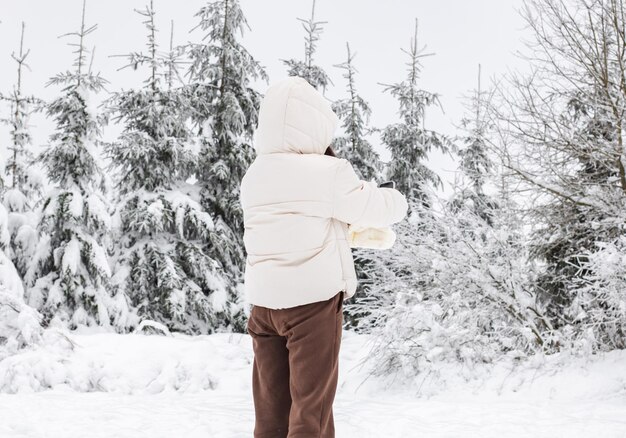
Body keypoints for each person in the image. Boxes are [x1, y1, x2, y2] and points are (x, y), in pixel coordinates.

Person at [239, 75, 408, 438]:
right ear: (315, 125)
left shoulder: (254, 174)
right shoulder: (327, 172)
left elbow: (292, 226)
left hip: (263, 309)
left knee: (270, 415)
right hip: (310, 308)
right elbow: (374, 207)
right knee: (310, 413)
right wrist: (396, 197)